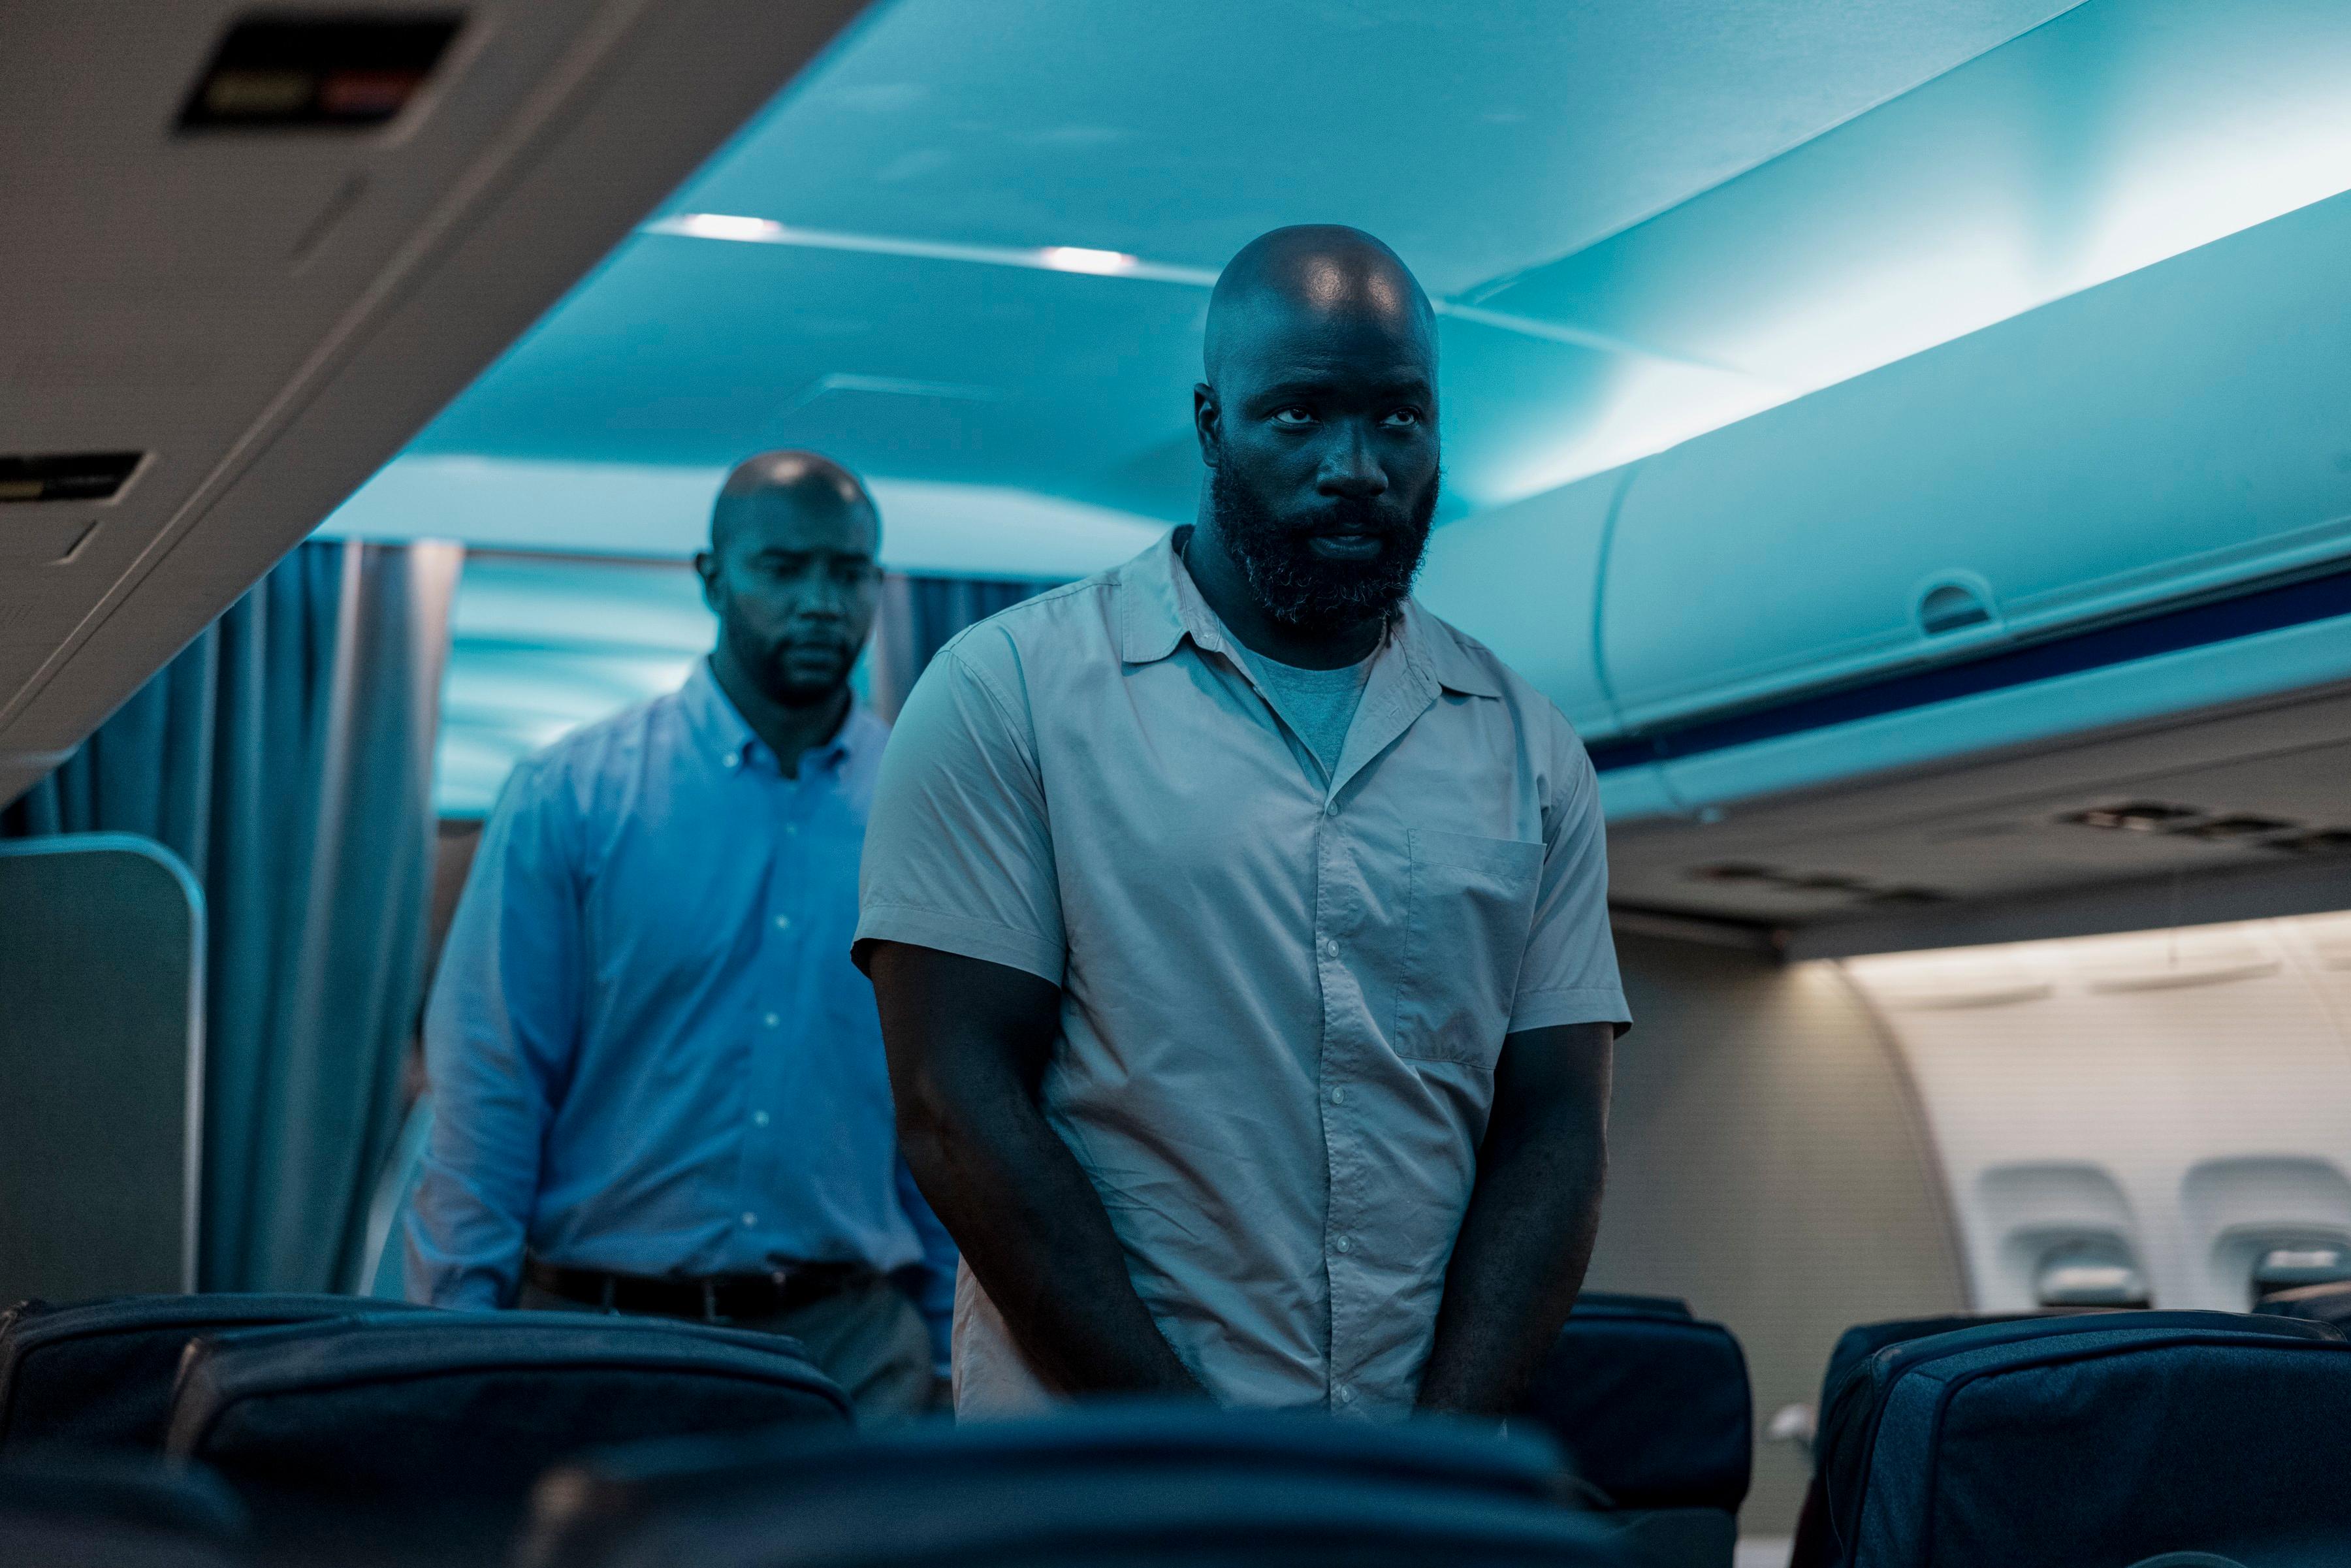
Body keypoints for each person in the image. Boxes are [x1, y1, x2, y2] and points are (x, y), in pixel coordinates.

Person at [856, 225, 1627, 1420]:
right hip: (1104, 1483)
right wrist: (1206, 1461)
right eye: (1301, 415)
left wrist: (1431, 1462)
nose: (1357, 466)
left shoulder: (1528, 749)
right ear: (1212, 424)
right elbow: (957, 1110)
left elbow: (1554, 1133)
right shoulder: (1008, 691)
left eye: (1399, 420)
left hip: (1402, 1487)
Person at [406, 451, 954, 1422]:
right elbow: (491, 1088)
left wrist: (960, 1343)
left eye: (848, 572)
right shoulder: (571, 797)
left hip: (852, 1357)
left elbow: (945, 1098)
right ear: (712, 577)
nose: (823, 602)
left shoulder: (930, 809)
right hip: (597, 1337)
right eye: (783, 569)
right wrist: (454, 1345)